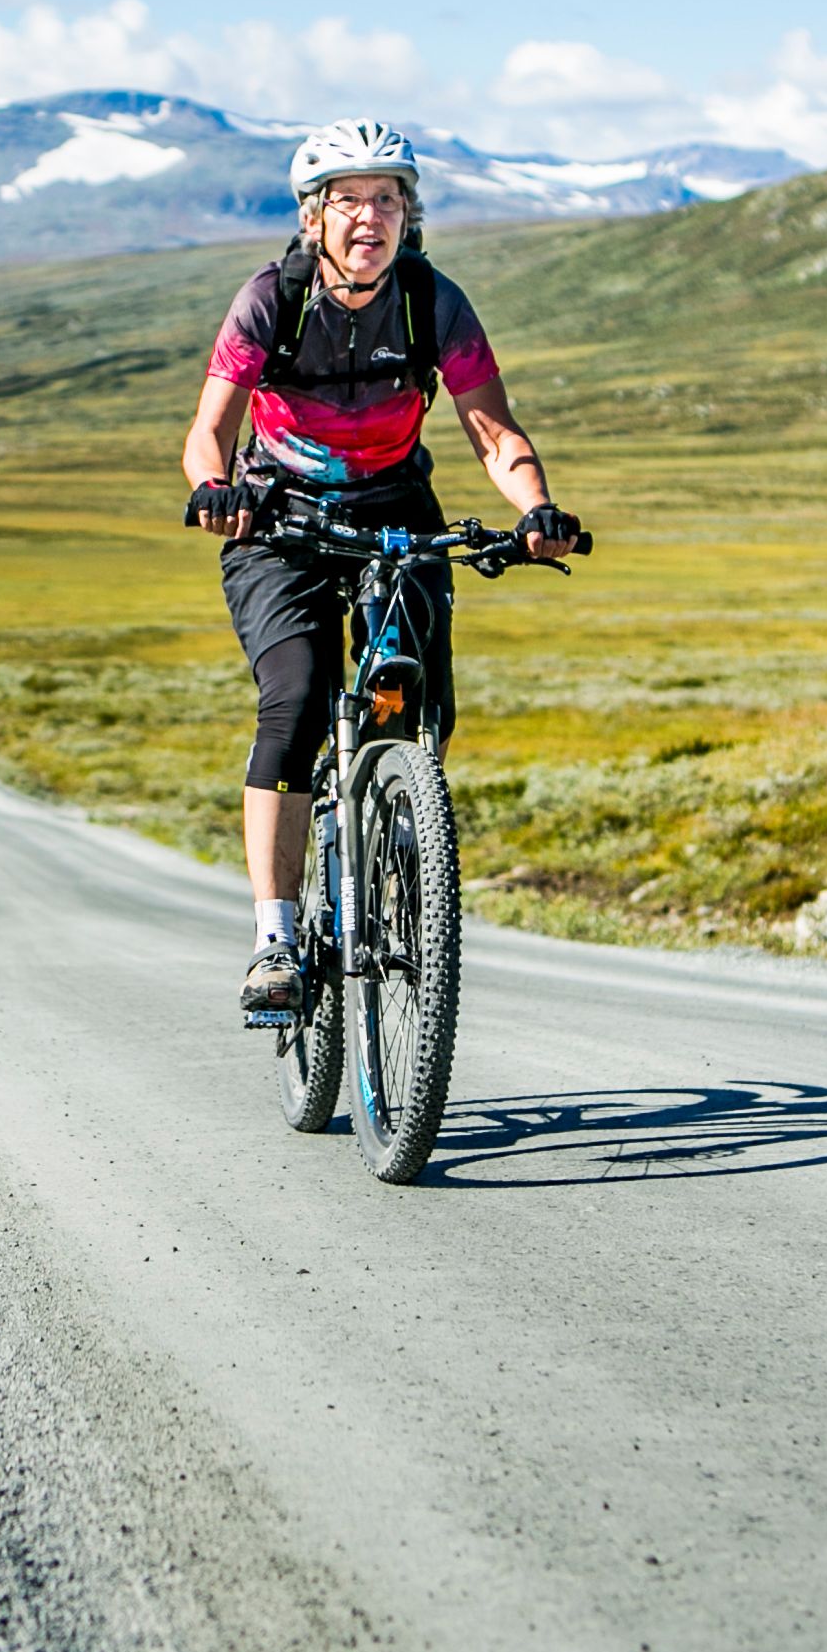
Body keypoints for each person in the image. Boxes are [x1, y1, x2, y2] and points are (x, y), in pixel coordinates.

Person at [183, 121, 584, 1020]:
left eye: (389, 200)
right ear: (314, 216)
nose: (372, 218)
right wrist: (215, 490)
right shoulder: (271, 300)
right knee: (296, 700)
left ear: (410, 213)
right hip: (277, 519)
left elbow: (493, 430)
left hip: (396, 510)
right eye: (350, 201)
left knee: (418, 697)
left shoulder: (431, 301)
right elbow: (210, 429)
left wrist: (536, 509)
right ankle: (276, 938)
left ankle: (401, 841)